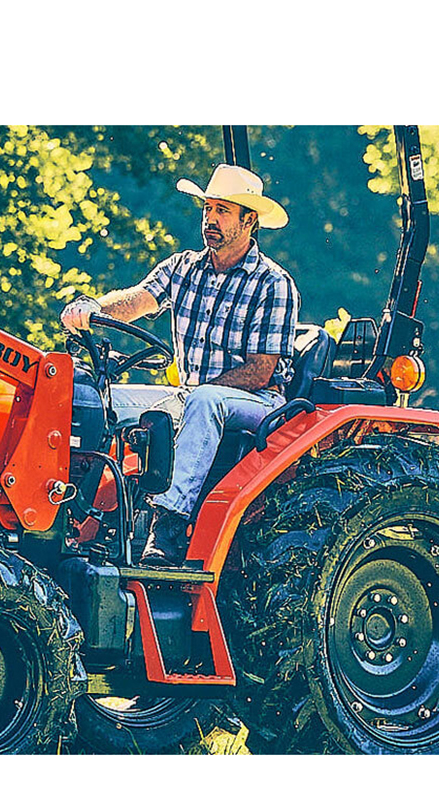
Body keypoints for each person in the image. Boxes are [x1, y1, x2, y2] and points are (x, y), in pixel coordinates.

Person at [61, 162, 299, 563]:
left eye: (222, 211)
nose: (211, 220)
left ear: (249, 221)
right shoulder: (184, 268)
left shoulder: (273, 283)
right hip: (191, 394)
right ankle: (74, 515)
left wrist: (194, 396)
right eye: (207, 209)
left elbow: (262, 370)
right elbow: (136, 300)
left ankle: (167, 526)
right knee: (93, 397)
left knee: (205, 400)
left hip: (259, 404)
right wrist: (92, 307)